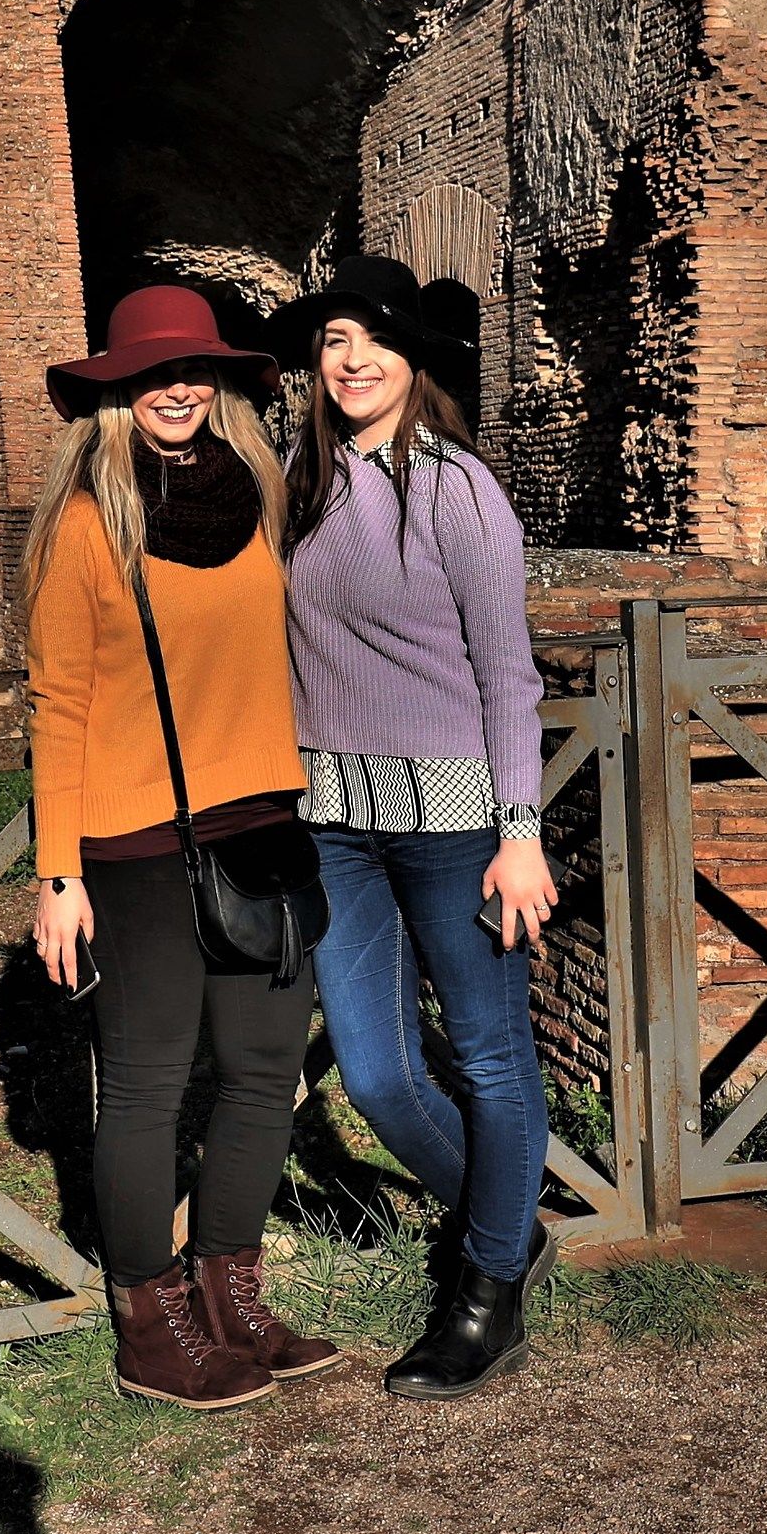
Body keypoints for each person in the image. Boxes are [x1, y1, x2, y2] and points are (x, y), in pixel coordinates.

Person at [25, 283, 341, 1409]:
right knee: (150, 1088)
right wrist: (57, 871)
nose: (178, 389)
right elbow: (57, 700)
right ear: (117, 392)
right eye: (155, 374)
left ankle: (230, 1300)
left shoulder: (262, 499)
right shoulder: (85, 520)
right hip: (134, 840)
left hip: (263, 824)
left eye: (196, 371)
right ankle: (149, 1325)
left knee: (263, 1075)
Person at [265, 255, 557, 1401]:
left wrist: (519, 830)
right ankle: (512, 1224)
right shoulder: (302, 480)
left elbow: (508, 671)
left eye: (375, 340)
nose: (352, 360)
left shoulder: (458, 490)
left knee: (489, 1057)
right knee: (380, 1078)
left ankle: (487, 1287)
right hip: (332, 818)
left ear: (414, 361)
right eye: (335, 338)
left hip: (451, 823)